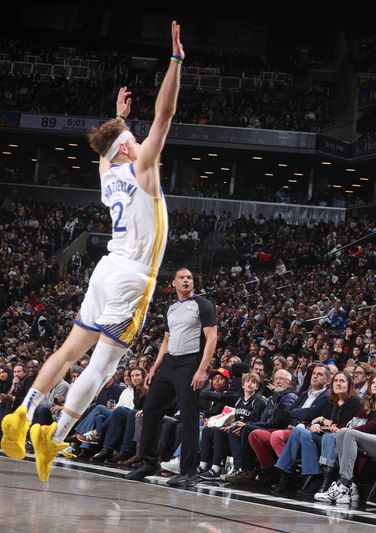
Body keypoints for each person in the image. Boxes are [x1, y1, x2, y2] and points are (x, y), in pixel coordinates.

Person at [1, 21, 183, 483]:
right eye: (132, 138)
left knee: (68, 349)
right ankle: (55, 433)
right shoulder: (142, 168)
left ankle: (22, 414)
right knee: (103, 365)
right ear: (128, 148)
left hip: (105, 269)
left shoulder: (107, 171)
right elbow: (165, 116)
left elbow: (107, 145)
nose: (141, 139)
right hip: (132, 276)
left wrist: (116, 118)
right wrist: (175, 62)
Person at [126, 267, 218, 487]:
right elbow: (166, 340)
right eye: (182, 278)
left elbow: (212, 338)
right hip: (169, 363)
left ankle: (189, 471)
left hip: (189, 363)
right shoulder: (171, 308)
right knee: (149, 410)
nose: (186, 280)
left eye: (189, 277)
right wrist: (156, 368)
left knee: (188, 416)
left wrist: (202, 369)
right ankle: (149, 462)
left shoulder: (203, 305)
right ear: (173, 283)